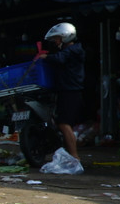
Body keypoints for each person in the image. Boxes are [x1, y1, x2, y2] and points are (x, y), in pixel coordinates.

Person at [36, 22, 86, 162]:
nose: (54, 42)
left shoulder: (73, 50)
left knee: (64, 123)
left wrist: (46, 57)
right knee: (61, 122)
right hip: (65, 90)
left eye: (56, 38)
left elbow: (59, 59)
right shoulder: (68, 51)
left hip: (71, 91)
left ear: (65, 37)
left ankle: (75, 156)